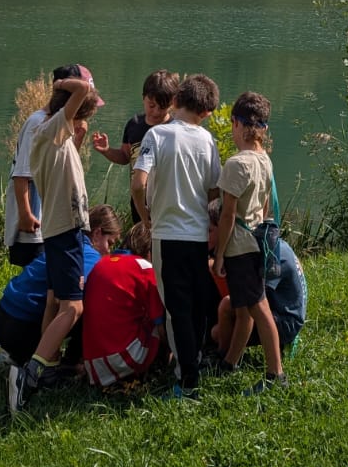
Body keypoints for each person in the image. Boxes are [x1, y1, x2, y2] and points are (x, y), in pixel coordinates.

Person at [8, 65, 103, 414]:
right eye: (87, 109)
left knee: (55, 299)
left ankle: (46, 366)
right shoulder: (51, 127)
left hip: (59, 229)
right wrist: (64, 84)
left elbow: (64, 167)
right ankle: (29, 374)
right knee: (73, 308)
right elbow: (81, 91)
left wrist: (78, 135)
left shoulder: (53, 135)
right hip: (65, 231)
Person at [131, 74, 221, 401]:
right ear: (206, 112)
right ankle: (193, 362)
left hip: (167, 235)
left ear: (177, 99)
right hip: (198, 236)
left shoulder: (156, 135)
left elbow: (138, 183)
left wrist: (146, 218)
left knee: (176, 308)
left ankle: (187, 381)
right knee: (196, 305)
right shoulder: (207, 140)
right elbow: (214, 191)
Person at [213, 91, 287, 393]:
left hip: (241, 248)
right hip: (259, 242)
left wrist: (219, 254)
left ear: (236, 123)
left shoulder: (236, 164)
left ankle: (275, 374)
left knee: (258, 307)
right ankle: (230, 361)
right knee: (243, 307)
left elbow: (228, 215)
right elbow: (266, 205)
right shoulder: (264, 160)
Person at [0, 205, 121, 368]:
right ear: (97, 233)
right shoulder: (90, 256)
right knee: (91, 304)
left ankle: (18, 355)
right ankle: (70, 362)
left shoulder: (65, 243)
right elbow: (59, 302)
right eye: (109, 243)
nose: (109, 251)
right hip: (21, 328)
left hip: (3, 318)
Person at [3, 65, 81, 266]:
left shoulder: (57, 123)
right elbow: (21, 174)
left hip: (49, 221)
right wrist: (25, 215)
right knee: (36, 273)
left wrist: (79, 137)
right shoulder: (37, 123)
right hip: (34, 223)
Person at [82, 223, 168, 390]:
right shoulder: (145, 268)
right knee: (160, 317)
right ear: (151, 251)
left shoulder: (101, 263)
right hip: (123, 359)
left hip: (92, 364)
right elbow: (161, 325)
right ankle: (161, 366)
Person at [92, 70, 178, 223]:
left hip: (166, 203)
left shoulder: (175, 129)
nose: (156, 112)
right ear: (143, 98)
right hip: (138, 202)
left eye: (162, 107)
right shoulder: (134, 124)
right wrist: (107, 150)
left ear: (172, 103)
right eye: (151, 105)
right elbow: (126, 157)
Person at [212, 235, 306, 363]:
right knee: (222, 323)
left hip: (287, 321)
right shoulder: (275, 244)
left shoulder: (271, 256)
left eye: (210, 231)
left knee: (218, 328)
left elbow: (252, 301)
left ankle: (223, 358)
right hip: (289, 311)